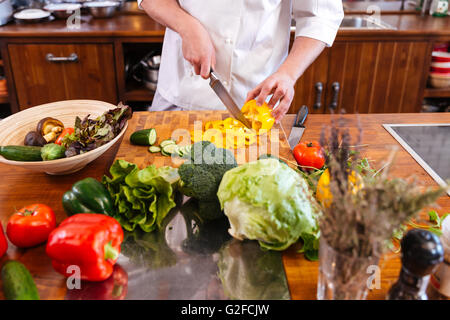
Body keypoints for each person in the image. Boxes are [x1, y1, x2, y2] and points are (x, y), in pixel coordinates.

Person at [139, 0, 343, 121]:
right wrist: (187, 27)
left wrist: (288, 74)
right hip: (181, 92)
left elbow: (320, 15)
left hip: (257, 98)